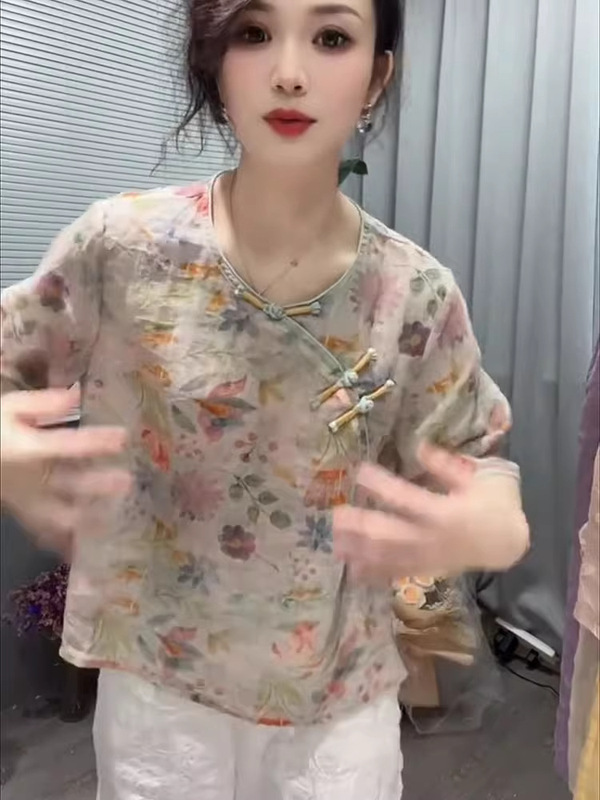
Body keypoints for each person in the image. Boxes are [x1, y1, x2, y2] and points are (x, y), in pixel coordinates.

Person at [0, 1, 530, 797]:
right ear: (214, 64)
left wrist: (493, 520)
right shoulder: (124, 247)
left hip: (338, 699)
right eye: (253, 33)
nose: (289, 72)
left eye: (331, 37)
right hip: (158, 684)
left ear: (376, 76)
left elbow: (475, 454)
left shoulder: (412, 291)